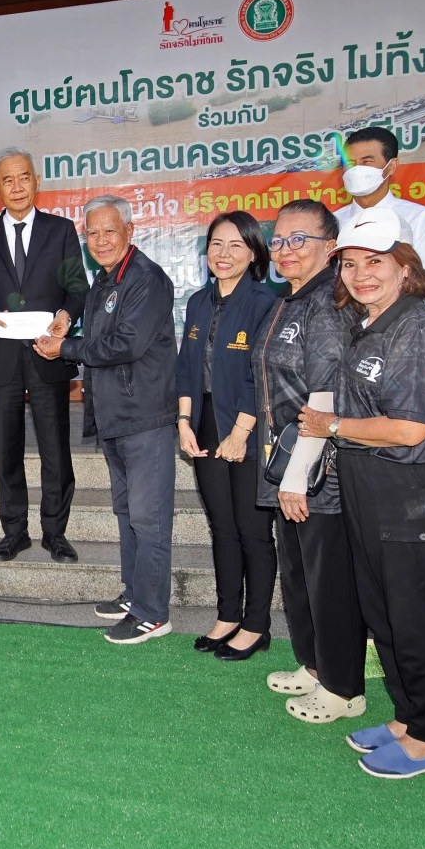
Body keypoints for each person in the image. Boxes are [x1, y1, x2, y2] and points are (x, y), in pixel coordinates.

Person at [297, 206, 425, 778]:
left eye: (375, 262)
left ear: (405, 267)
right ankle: (408, 718)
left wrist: (331, 426)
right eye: (350, 264)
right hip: (369, 484)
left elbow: (410, 428)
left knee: (417, 617)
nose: (361, 274)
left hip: (412, 490)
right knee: (385, 612)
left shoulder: (414, 326)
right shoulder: (372, 323)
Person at [35, 196, 176, 644]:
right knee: (128, 512)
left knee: (149, 519)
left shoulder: (146, 279)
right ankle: (135, 595)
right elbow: (100, 339)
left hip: (145, 417)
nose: (100, 240)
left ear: (129, 231)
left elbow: (126, 344)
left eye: (109, 230)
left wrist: (65, 349)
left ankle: (153, 613)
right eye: (92, 233)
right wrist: (66, 333)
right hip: (115, 416)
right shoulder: (105, 278)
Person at [253, 199, 368, 724]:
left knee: (328, 582)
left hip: (320, 469)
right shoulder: (288, 299)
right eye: (278, 240)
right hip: (286, 460)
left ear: (331, 247)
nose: (286, 250)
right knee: (299, 574)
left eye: (299, 239)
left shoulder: (328, 303)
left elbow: (324, 396)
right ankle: (315, 666)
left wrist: (298, 475)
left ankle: (343, 688)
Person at [0, 148, 88, 562]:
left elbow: (77, 288)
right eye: (7, 180)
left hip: (48, 355)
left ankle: (55, 532)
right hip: (2, 358)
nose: (16, 187)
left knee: (56, 449)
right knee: (7, 449)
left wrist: (66, 316)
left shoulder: (61, 230)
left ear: (36, 182)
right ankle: (14, 532)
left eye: (23, 177)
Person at [174, 211, 279, 661]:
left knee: (253, 530)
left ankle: (256, 624)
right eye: (217, 244)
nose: (224, 253)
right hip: (206, 425)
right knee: (222, 526)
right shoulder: (198, 302)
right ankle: (228, 615)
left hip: (249, 428)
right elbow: (186, 368)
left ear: (254, 253)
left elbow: (262, 375)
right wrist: (183, 422)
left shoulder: (266, 302)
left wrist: (240, 433)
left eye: (236, 245)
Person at [332, 126, 425, 311]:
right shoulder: (333, 221)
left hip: (401, 324)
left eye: (367, 161)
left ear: (391, 166)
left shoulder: (419, 218)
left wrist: (377, 322)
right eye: (351, 163)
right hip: (341, 325)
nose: (357, 169)